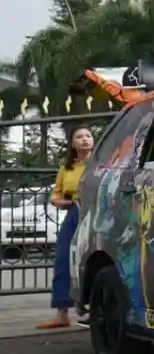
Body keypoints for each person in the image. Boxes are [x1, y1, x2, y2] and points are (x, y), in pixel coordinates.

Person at [38, 126, 93, 329]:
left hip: (96, 212)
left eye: (88, 136)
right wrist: (63, 202)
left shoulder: (102, 163)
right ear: (72, 143)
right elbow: (56, 195)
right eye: (79, 137)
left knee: (94, 259)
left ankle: (94, 310)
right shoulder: (66, 168)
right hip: (74, 212)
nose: (84, 139)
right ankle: (62, 314)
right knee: (63, 259)